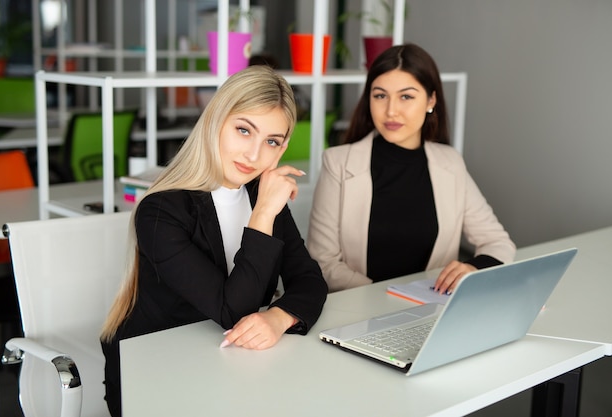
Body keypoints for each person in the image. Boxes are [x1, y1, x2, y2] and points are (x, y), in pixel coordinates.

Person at [100, 65, 328, 417]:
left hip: (232, 362)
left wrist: (279, 318)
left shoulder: (260, 194)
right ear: (214, 122)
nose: (254, 155)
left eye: (271, 142)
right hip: (155, 370)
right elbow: (231, 311)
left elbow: (310, 280)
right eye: (243, 130)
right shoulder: (160, 210)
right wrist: (264, 214)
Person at [307, 43, 515, 294]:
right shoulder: (338, 163)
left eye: (406, 96)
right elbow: (323, 263)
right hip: (360, 311)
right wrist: (390, 297)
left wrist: (473, 269)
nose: (391, 110)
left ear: (431, 100)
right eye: (380, 95)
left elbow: (498, 242)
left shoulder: (450, 163)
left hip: (432, 312)